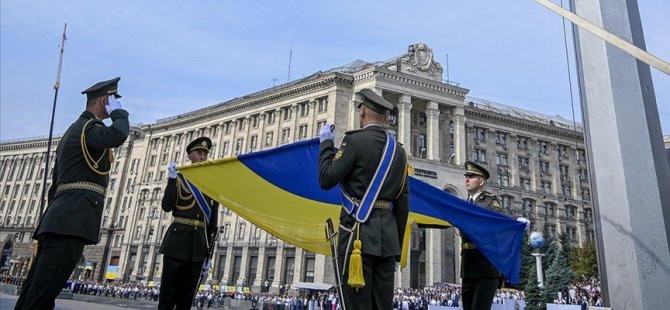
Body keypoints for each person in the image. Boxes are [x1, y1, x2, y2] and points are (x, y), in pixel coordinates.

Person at [15, 77, 130, 310]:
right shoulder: (89, 128)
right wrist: (120, 114)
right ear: (104, 100)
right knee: (40, 297)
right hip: (71, 221)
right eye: (113, 99)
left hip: (61, 219)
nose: (116, 103)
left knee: (37, 293)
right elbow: (118, 136)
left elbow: (55, 185)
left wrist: (55, 215)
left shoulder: (75, 131)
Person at [318, 88, 410, 310]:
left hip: (356, 236)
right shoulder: (398, 152)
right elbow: (402, 204)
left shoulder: (354, 141)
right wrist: (396, 248)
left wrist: (326, 145)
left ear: (363, 113)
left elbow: (326, 178)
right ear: (386, 118)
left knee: (356, 305)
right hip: (388, 243)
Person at [158, 136, 219, 310]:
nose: (202, 157)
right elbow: (166, 206)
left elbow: (212, 223)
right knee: (168, 294)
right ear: (190, 155)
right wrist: (171, 179)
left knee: (187, 297)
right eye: (199, 153)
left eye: (205, 154)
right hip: (177, 242)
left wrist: (208, 254)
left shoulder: (210, 184)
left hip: (199, 246)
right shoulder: (178, 179)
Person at [459, 161, 528, 310]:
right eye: (466, 176)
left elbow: (500, 216)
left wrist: (516, 222)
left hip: (486, 267)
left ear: (481, 181)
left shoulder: (489, 201)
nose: (467, 179)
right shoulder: (465, 204)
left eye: (471, 176)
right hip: (468, 266)